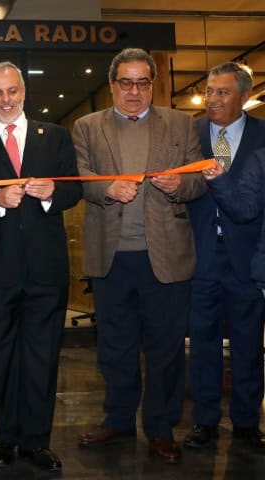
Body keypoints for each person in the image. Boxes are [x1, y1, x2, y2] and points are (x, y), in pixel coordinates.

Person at [73, 48, 207, 463]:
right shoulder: (87, 126)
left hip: (165, 256)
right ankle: (117, 419)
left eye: (142, 82)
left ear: (152, 84)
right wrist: (105, 188)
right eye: (126, 82)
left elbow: (199, 179)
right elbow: (80, 177)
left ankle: (161, 428)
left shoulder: (181, 123)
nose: (134, 91)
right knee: (115, 346)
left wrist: (179, 186)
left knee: (166, 348)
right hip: (111, 257)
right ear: (112, 84)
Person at [0, 61, 82, 472]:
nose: (5, 100)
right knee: (2, 355)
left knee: (43, 356)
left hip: (47, 269)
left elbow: (74, 188)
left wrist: (51, 194)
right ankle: (4, 436)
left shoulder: (57, 136)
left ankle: (36, 440)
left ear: (24, 91)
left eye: (11, 91)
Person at [185, 62, 265, 451]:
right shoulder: (189, 134)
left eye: (222, 92)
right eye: (209, 91)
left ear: (245, 97)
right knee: (202, 341)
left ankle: (248, 423)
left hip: (248, 257)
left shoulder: (264, 138)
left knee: (249, 342)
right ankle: (205, 421)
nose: (212, 99)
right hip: (200, 255)